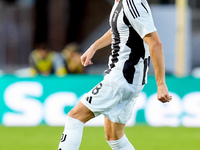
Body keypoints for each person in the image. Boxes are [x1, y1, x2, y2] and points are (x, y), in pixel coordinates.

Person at [58, 0, 172, 149]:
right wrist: (94, 46)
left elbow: (155, 43)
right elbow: (119, 29)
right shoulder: (122, 3)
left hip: (121, 78)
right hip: (128, 80)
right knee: (114, 137)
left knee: (75, 118)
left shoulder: (133, 3)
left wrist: (161, 84)